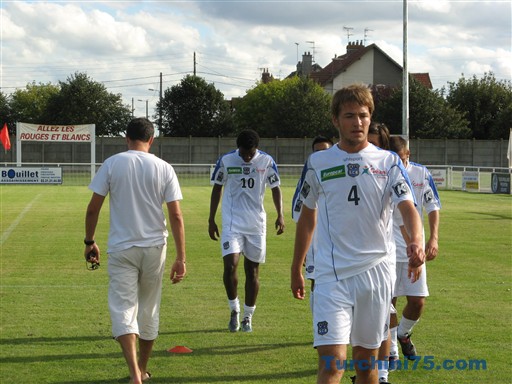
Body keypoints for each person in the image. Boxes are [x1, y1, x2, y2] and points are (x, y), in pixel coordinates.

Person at [290, 84, 426, 384]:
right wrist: (297, 267)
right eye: (349, 115)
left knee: (366, 365)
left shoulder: (388, 163)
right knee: (332, 363)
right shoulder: (318, 163)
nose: (358, 122)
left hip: (376, 274)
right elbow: (307, 217)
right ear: (336, 120)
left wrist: (416, 242)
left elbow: (408, 208)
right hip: (330, 275)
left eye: (363, 116)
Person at [84, 117, 186, 384]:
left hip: (121, 248)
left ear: (126, 138)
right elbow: (176, 216)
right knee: (149, 309)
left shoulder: (112, 163)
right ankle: (142, 368)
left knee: (123, 309)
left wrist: (89, 241)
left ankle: (134, 375)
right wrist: (181, 258)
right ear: (151, 140)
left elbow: (93, 207)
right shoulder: (164, 167)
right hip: (155, 248)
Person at [209, 129, 285, 333]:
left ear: (256, 149)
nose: (246, 157)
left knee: (252, 271)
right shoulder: (226, 160)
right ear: (238, 148)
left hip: (256, 225)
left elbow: (276, 187)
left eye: (250, 154)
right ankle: (233, 309)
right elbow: (217, 187)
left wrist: (280, 214)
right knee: (231, 265)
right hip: (232, 223)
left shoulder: (267, 161)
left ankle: (247, 317)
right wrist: (211, 218)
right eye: (243, 153)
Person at [388, 135, 441, 362]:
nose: (398, 163)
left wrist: (433, 239)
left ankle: (403, 334)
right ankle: (391, 351)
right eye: (394, 159)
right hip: (388, 248)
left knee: (417, 301)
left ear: (408, 154)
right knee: (387, 302)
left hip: (414, 248)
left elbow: (432, 206)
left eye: (401, 158)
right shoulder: (384, 171)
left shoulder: (421, 174)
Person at [291, 135, 333, 308]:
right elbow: (299, 213)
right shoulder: (309, 178)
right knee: (318, 281)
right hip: (317, 241)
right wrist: (305, 250)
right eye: (317, 152)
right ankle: (320, 328)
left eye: (325, 151)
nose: (321, 155)